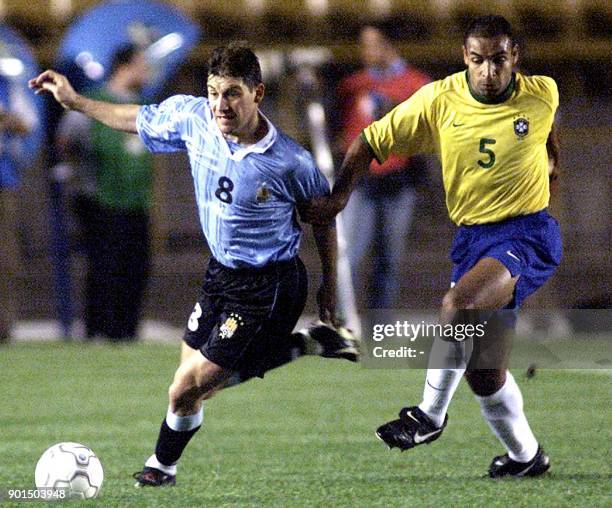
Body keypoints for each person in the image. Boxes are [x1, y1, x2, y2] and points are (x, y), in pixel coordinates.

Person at [30, 41, 359, 487]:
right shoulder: (192, 118)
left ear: (257, 94)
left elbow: (324, 221)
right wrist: (76, 101)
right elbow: (133, 118)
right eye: (213, 92)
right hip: (221, 275)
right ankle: (306, 345)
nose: (220, 105)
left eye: (232, 94)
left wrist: (328, 287)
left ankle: (161, 468)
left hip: (271, 286)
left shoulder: (289, 161)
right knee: (189, 385)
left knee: (187, 388)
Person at [301, 15, 561, 478]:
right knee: (484, 371)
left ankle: (429, 415)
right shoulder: (440, 100)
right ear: (466, 57)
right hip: (473, 239)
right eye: (478, 60)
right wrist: (340, 195)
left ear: (514, 58)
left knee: (458, 304)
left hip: (526, 234)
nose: (487, 72)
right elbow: (370, 140)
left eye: (498, 60)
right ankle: (526, 457)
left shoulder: (541, 92)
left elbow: (546, 133)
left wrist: (550, 172)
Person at [56, 45, 153, 341]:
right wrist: (81, 171)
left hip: (136, 200)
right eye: (141, 64)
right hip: (100, 198)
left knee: (135, 268)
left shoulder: (145, 105)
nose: (147, 71)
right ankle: (98, 331)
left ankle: (127, 333)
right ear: (124, 67)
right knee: (104, 268)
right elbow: (65, 140)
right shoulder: (94, 100)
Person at [336, 24, 430, 308]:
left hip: (398, 183)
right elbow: (339, 127)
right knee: (349, 257)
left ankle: (380, 329)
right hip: (361, 183)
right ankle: (341, 325)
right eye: (363, 44)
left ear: (389, 45)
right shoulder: (353, 85)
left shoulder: (418, 85)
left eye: (373, 44)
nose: (366, 52)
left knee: (388, 260)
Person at [0, 75, 39, 344]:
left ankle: (3, 327)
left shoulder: (7, 85)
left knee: (5, 258)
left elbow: (28, 125)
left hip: (4, 178)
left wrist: (6, 119)